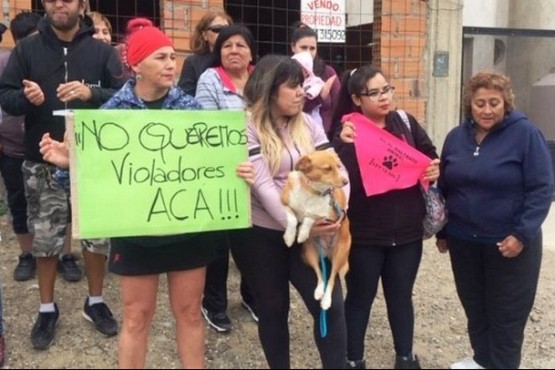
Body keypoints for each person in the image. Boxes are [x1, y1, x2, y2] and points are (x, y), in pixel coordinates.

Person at [40, 17, 254, 368]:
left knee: (188, 314)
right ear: (136, 64)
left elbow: (212, 169)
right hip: (136, 236)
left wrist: (238, 173)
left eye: (173, 57)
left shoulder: (191, 110)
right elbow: (90, 189)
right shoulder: (108, 117)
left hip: (187, 233)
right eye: (161, 57)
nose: (171, 64)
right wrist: (69, 168)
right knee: (137, 317)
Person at [0, 0, 123, 350]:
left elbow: (125, 98)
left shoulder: (102, 51)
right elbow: (6, 98)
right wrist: (26, 98)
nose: (59, 4)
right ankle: (46, 307)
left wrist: (92, 93)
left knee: (96, 236)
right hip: (43, 160)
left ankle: (95, 302)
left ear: (81, 5)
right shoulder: (26, 48)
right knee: (45, 237)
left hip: (94, 161)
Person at [227, 54, 348, 369]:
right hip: (262, 234)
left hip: (313, 229)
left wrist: (339, 210)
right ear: (269, 90)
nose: (300, 93)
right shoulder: (248, 127)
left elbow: (338, 170)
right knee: (273, 309)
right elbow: (263, 186)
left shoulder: (309, 122)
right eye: (292, 86)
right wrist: (301, 224)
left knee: (330, 305)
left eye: (301, 86)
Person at [436, 71, 554, 370]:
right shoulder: (456, 137)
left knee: (507, 316)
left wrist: (522, 234)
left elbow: (542, 188)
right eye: (480, 103)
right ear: (469, 105)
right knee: (476, 309)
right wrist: (444, 231)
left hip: (508, 244)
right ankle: (482, 361)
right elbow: (447, 185)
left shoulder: (526, 135)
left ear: (506, 103)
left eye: (494, 103)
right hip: (464, 241)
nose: (487, 110)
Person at [330, 65, 440, 369]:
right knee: (360, 298)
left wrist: (433, 167)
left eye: (386, 89)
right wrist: (345, 145)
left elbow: (430, 154)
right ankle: (353, 358)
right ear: (356, 98)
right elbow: (338, 177)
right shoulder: (346, 131)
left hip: (406, 232)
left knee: (401, 296)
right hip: (365, 234)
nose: (383, 98)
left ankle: (405, 357)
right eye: (374, 93)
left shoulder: (405, 122)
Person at [195, 23, 258, 333]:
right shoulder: (210, 79)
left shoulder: (262, 79)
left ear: (251, 52)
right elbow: (210, 127)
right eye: (227, 45)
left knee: (254, 242)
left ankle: (251, 296)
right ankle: (214, 303)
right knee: (219, 246)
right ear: (218, 52)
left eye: (241, 45)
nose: (234, 50)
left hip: (260, 173)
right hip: (221, 174)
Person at [0, 11, 41, 283]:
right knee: (18, 203)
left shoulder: (51, 61)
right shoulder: (5, 64)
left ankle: (64, 255)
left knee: (61, 203)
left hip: (47, 149)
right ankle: (27, 254)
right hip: (12, 148)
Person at [290, 24, 340, 136]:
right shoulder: (284, 72)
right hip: (293, 134)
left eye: (312, 48)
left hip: (325, 136)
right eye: (303, 47)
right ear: (293, 47)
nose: (308, 52)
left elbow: (338, 107)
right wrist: (318, 98)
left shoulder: (328, 72)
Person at [177, 9, 232, 96]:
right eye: (217, 29)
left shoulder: (239, 60)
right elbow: (184, 98)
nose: (223, 33)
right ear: (204, 35)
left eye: (227, 29)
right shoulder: (192, 63)